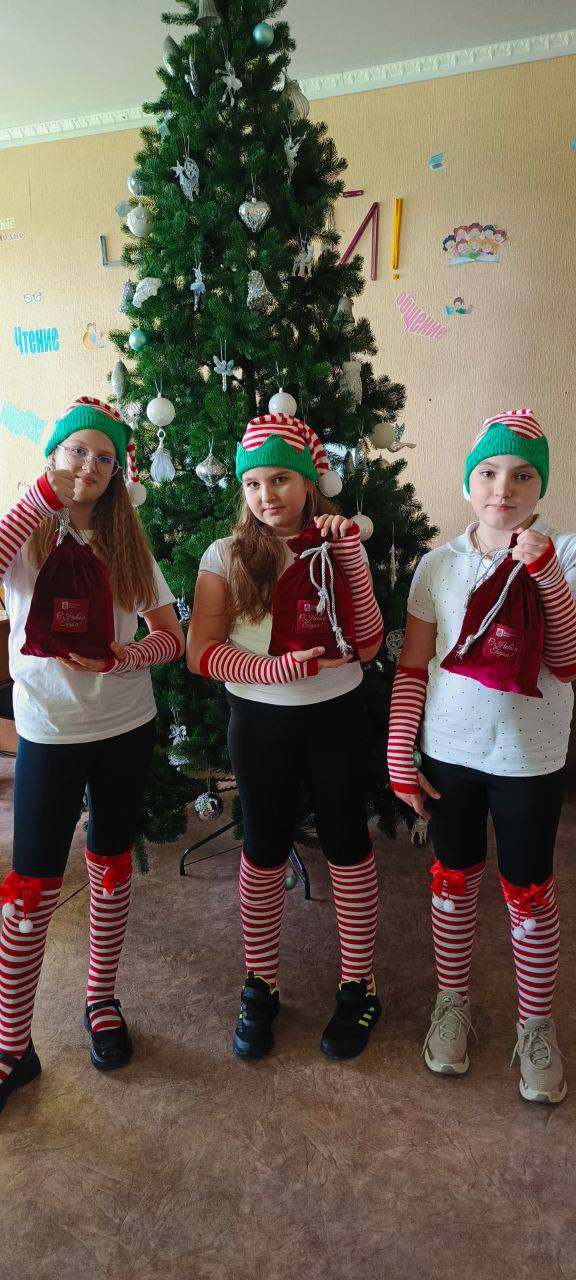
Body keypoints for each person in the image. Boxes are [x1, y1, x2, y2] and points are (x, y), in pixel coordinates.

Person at [0, 395, 184, 1112]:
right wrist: (41, 499)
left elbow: (171, 638)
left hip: (125, 724)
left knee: (109, 865)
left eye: (105, 457)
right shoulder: (25, 532)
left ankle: (101, 999)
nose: (89, 465)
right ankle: (11, 1044)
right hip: (49, 729)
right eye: (77, 449)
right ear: (53, 454)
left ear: (117, 473)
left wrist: (123, 656)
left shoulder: (126, 544)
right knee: (31, 886)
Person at [387, 409, 576, 1103]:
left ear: (541, 485)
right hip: (450, 754)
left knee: (530, 891)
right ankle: (452, 1002)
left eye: (523, 475)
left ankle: (536, 1024)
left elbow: (568, 659)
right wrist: (399, 754)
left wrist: (545, 572)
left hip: (530, 759)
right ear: (469, 484)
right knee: (453, 880)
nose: (504, 488)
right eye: (489, 473)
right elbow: (413, 665)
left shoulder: (568, 554)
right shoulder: (439, 565)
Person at [187, 409, 384, 1062]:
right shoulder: (226, 555)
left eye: (280, 479)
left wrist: (350, 557)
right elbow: (201, 652)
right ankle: (261, 983)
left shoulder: (337, 543)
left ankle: (359, 985)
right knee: (264, 847)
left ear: (307, 482)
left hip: (336, 715)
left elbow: (369, 644)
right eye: (252, 484)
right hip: (260, 721)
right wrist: (270, 669)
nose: (266, 495)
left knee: (347, 844)